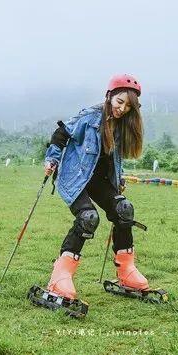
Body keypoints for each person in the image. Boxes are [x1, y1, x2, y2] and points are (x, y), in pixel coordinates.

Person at [42, 74, 148, 302]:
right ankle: (60, 276)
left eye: (128, 106)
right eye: (120, 102)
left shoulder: (122, 125)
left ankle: (126, 271)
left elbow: (113, 159)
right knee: (88, 217)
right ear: (109, 96)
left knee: (124, 210)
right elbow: (62, 133)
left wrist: (118, 180)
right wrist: (51, 159)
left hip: (100, 181)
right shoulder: (90, 116)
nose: (122, 109)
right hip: (75, 177)